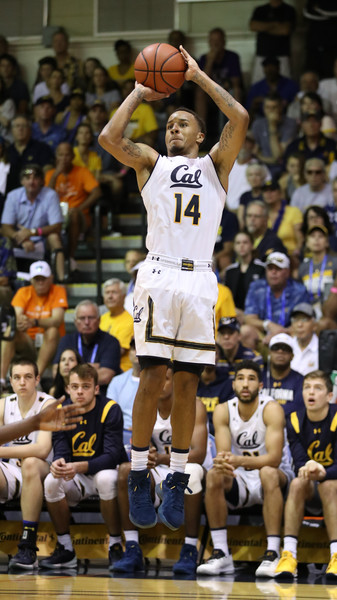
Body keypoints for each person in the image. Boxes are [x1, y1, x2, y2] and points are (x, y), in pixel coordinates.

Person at [98, 45, 249, 531]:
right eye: (169, 125)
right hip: (159, 273)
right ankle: (140, 472)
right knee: (150, 375)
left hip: (200, 276)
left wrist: (199, 77)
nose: (173, 129)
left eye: (182, 124)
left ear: (201, 134)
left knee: (188, 382)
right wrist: (139, 94)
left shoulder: (216, 166)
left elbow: (240, 115)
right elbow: (108, 136)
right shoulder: (150, 163)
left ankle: (179, 476)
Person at [196, 360, 293, 578]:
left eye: (251, 379)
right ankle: (221, 553)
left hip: (276, 477)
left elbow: (275, 459)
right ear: (233, 385)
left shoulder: (271, 409)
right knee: (214, 474)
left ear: (260, 386)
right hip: (240, 478)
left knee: (268, 472)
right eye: (240, 378)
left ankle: (272, 551)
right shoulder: (223, 410)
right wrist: (228, 462)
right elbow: (223, 458)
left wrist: (238, 461)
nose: (245, 384)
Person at [112, 365, 211, 575]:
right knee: (125, 471)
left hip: (188, 467)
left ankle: (190, 548)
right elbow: (142, 446)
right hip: (160, 468)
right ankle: (131, 547)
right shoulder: (145, 406)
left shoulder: (194, 405)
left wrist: (161, 458)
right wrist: (146, 456)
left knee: (191, 473)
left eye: (166, 379)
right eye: (158, 379)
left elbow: (199, 454)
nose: (161, 384)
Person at [39, 363, 128, 571]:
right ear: (68, 389)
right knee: (51, 481)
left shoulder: (110, 409)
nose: (80, 391)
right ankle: (65, 548)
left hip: (104, 471)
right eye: (75, 386)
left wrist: (79, 466)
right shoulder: (61, 411)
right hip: (77, 474)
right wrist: (59, 461)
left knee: (106, 478)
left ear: (96, 389)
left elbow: (113, 456)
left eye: (86, 386)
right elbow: (60, 445)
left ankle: (115, 544)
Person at [274, 370, 337, 580]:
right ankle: (289, 554)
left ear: (329, 396)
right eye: (307, 387)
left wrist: (323, 473)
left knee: (329, 485)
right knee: (297, 484)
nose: (311, 392)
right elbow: (300, 461)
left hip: (332, 485)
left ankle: (336, 555)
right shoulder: (293, 419)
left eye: (318, 388)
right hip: (312, 483)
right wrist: (311, 468)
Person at [3, 359, 55, 570]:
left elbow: (42, 449)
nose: (22, 382)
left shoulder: (48, 404)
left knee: (31, 463)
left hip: (44, 469)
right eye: (17, 377)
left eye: (27, 377)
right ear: (11, 381)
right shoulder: (3, 404)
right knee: (27, 462)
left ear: (37, 379)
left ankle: (28, 544)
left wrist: (3, 451)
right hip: (11, 469)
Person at [0, 260, 68, 385]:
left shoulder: (58, 291)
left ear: (51, 278)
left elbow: (57, 320)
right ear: (31, 280)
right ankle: (2, 379)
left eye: (44, 278)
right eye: (37, 279)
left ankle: (35, 379)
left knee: (53, 330)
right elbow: (17, 315)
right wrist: (21, 322)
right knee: (11, 329)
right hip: (29, 344)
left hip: (52, 345)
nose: (40, 282)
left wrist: (35, 322)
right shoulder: (23, 292)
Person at [45, 142, 101, 277]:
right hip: (56, 216)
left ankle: (70, 257)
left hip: (79, 216)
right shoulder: (50, 174)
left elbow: (97, 192)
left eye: (67, 154)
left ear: (72, 156)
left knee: (74, 214)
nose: (64, 158)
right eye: (61, 155)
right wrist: (55, 175)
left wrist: (79, 208)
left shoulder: (82, 171)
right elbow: (46, 197)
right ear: (56, 157)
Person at [1, 164, 65, 282]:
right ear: (22, 181)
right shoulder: (13, 196)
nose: (31, 181)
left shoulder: (50, 195)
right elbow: (5, 227)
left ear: (42, 181)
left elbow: (57, 226)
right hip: (19, 239)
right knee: (5, 238)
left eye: (35, 178)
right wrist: (22, 238)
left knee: (54, 237)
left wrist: (32, 232)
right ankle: (6, 279)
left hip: (42, 238)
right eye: (27, 178)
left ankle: (61, 280)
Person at [52, 299, 120, 395]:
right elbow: (57, 372)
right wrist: (93, 367)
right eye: (82, 318)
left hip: (100, 396)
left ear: (99, 320)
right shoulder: (66, 340)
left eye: (91, 318)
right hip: (69, 395)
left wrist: (73, 370)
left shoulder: (111, 342)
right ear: (75, 321)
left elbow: (105, 376)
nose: (87, 322)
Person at [244, 252, 310, 343]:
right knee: (246, 330)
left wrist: (279, 334)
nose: (273, 272)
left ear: (287, 272)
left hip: (290, 334)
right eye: (270, 268)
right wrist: (268, 325)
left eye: (278, 269)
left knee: (304, 329)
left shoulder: (299, 290)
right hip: (263, 336)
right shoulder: (256, 287)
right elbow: (249, 319)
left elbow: (303, 320)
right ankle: (252, 357)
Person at [196, 27, 243, 150]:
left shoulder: (232, 57)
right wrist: (210, 60)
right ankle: (202, 133)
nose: (215, 44)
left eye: (218, 41)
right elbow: (201, 82)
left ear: (224, 42)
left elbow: (236, 82)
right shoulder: (204, 58)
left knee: (236, 90)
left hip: (227, 93)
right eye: (212, 41)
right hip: (210, 96)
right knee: (200, 93)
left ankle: (235, 128)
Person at [249, 0, 297, 83]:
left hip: (282, 55)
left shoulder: (288, 9)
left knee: (284, 84)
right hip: (262, 54)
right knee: (258, 84)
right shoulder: (260, 10)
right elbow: (253, 26)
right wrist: (275, 24)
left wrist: (264, 27)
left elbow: (285, 30)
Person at [251, 93, 297, 178]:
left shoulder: (290, 123)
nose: (271, 111)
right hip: (261, 166)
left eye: (274, 107)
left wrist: (272, 126)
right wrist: (266, 159)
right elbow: (254, 152)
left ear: (281, 108)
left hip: (282, 168)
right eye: (267, 107)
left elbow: (278, 156)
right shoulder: (257, 124)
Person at [6, 116, 54, 193]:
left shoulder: (42, 148)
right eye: (17, 126)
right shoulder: (7, 151)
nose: (20, 129)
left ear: (30, 130)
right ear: (12, 130)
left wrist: (28, 172)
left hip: (36, 193)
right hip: (10, 195)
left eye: (24, 126)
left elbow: (47, 171)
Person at [298, 224, 337, 317]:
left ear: (327, 242)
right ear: (307, 242)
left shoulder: (335, 262)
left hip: (331, 310)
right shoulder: (303, 267)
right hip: (309, 311)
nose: (316, 239)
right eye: (312, 236)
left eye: (320, 236)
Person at [246, 56, 299, 122]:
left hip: (285, 119)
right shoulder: (256, 87)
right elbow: (248, 111)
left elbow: (297, 105)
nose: (270, 70)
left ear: (278, 68)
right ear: (264, 69)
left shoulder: (291, 85)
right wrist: (255, 104)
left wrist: (284, 103)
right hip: (262, 119)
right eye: (267, 67)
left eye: (272, 67)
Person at [262, 333, 304, 415]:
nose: (280, 351)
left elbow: (299, 408)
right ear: (269, 353)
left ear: (292, 356)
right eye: (276, 348)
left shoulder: (301, 381)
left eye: (285, 349)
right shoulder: (258, 377)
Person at [224, 231, 265, 312]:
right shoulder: (230, 271)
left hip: (256, 313)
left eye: (245, 242)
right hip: (233, 313)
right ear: (234, 247)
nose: (241, 246)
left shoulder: (261, 268)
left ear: (252, 245)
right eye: (238, 243)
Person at [262, 179, 303, 259]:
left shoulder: (293, 211)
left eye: (272, 190)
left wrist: (296, 253)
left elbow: (300, 238)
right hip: (268, 257)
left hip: (290, 256)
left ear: (280, 193)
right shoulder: (262, 215)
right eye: (265, 191)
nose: (268, 194)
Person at [99, 278, 134, 372]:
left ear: (124, 296)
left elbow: (117, 352)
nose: (110, 296)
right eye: (107, 293)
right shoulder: (102, 318)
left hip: (120, 370)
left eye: (114, 292)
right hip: (102, 365)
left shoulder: (129, 321)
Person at [106, 337, 139, 430]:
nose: (137, 352)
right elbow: (111, 413)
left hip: (152, 433)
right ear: (129, 354)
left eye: (141, 348)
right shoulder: (117, 381)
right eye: (134, 348)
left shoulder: (159, 382)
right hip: (121, 432)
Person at [197, 362, 234, 435]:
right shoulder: (191, 382)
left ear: (218, 358)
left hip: (218, 434)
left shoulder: (227, 384)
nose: (209, 357)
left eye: (215, 353)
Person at [290, 303, 319, 376]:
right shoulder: (286, 347)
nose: (299, 325)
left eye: (304, 319)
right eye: (296, 320)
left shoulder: (322, 349)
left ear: (315, 325)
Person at [237, 163, 267, 230]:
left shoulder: (267, 194)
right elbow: (240, 219)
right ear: (247, 178)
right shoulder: (244, 196)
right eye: (250, 175)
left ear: (263, 177)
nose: (254, 178)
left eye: (257, 175)